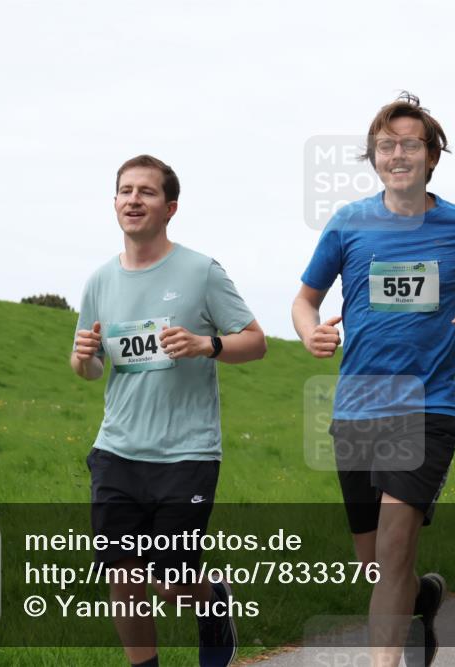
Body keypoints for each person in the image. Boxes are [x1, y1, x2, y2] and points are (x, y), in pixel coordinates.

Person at [292, 93, 455, 667]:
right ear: (374, 157)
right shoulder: (349, 223)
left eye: (410, 144)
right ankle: (421, 599)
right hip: (357, 407)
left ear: (432, 156)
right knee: (375, 563)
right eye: (386, 145)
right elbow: (305, 300)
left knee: (392, 546)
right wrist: (311, 332)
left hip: (426, 407)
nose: (398, 154)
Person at [72, 154, 266, 667]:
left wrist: (207, 344)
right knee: (123, 575)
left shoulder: (201, 272)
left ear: (170, 207)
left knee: (171, 582)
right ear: (115, 202)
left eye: (147, 191)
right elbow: (91, 368)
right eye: (126, 190)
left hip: (186, 453)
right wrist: (83, 358)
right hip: (117, 449)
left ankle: (213, 599)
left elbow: (256, 342)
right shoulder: (99, 281)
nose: (133, 199)